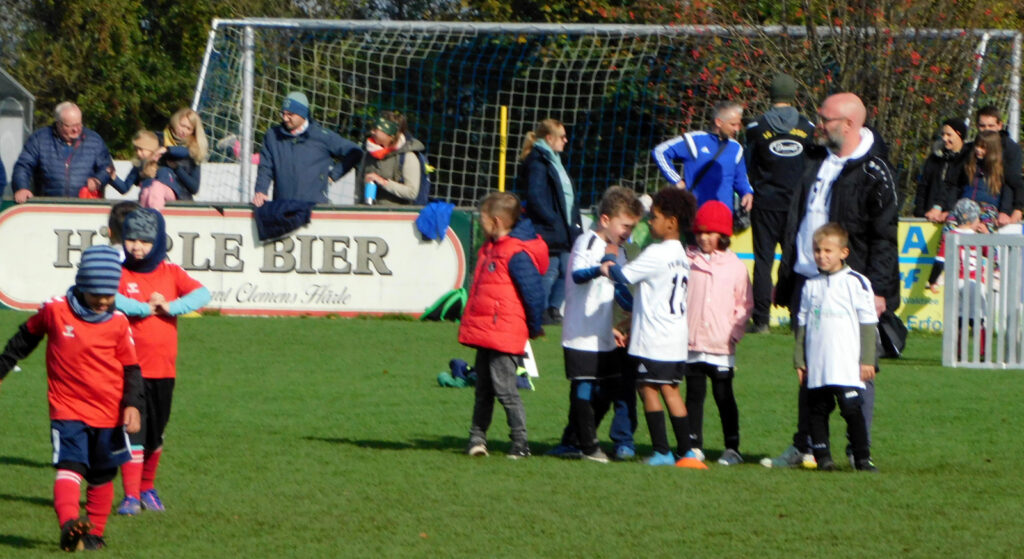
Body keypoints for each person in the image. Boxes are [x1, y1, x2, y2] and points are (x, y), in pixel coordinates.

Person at [769, 92, 898, 469]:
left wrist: (878, 289)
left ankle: (859, 451)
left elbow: (884, 236)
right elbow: (796, 220)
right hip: (808, 282)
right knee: (809, 366)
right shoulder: (814, 159)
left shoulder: (875, 170)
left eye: (825, 119)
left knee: (858, 367)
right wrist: (787, 272)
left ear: (850, 124)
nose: (818, 125)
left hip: (850, 287)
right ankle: (806, 445)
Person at [0, 245, 143, 551]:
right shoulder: (55, 310)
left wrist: (133, 404)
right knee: (70, 465)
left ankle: (93, 535)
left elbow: (131, 368)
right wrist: (2, 369)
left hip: (109, 413)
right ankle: (69, 524)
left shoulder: (119, 322)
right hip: (67, 409)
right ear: (81, 285)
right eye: (96, 295)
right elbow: (25, 338)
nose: (103, 301)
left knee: (103, 474)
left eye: (109, 295)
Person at [111, 209, 210, 515]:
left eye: (144, 241)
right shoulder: (119, 273)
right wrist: (143, 308)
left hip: (164, 370)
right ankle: (130, 496)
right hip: (130, 370)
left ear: (157, 242)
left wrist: (170, 307)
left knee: (156, 432)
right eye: (131, 239)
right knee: (133, 429)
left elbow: (202, 294)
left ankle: (147, 488)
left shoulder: (171, 273)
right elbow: (110, 298)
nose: (136, 246)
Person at [600, 187, 706, 469]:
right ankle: (687, 452)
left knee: (647, 388)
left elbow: (622, 276)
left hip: (653, 338)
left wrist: (609, 256)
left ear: (671, 222)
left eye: (654, 217)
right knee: (671, 389)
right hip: (675, 337)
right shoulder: (681, 254)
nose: (649, 221)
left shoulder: (656, 252)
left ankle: (662, 451)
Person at [550, 186, 643, 463]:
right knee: (583, 387)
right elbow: (578, 275)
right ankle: (589, 447)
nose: (628, 232)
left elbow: (619, 290)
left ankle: (574, 441)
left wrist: (636, 312)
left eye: (632, 227)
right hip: (581, 332)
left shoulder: (620, 250)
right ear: (605, 220)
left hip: (604, 334)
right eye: (625, 225)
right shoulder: (587, 242)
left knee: (609, 388)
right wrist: (599, 270)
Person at [459, 192, 547, 459]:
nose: (480, 223)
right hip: (486, 332)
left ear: (496, 221)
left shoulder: (516, 253)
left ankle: (520, 442)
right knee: (483, 390)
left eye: (483, 219)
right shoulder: (489, 248)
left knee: (506, 391)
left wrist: (534, 327)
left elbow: (533, 293)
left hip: (505, 334)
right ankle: (477, 439)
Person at [795, 223, 878, 472]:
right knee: (818, 410)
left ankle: (862, 458)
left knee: (852, 409)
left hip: (846, 361)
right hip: (818, 362)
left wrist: (868, 359)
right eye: (817, 250)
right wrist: (799, 360)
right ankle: (823, 459)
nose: (822, 255)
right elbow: (802, 325)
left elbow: (868, 323)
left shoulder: (856, 282)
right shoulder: (811, 285)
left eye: (828, 251)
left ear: (843, 252)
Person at [684, 200, 753, 466]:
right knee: (694, 396)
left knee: (724, 396)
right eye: (700, 232)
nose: (704, 238)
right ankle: (693, 445)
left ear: (723, 234)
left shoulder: (736, 266)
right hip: (692, 343)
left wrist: (733, 333)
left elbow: (744, 305)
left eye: (710, 232)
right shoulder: (688, 260)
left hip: (721, 344)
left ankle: (732, 447)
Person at [745, 75, 815, 332]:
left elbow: (749, 165)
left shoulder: (756, 126)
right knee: (794, 259)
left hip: (765, 203)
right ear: (793, 95)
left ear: (771, 95)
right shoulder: (807, 127)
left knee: (763, 261)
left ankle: (761, 320)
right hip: (796, 205)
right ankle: (796, 317)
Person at [518, 118, 583, 325]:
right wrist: (552, 220)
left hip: (564, 228)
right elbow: (535, 196)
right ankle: (541, 310)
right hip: (550, 228)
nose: (565, 140)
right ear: (549, 138)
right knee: (550, 268)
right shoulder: (538, 162)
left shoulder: (554, 161)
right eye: (562, 137)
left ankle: (554, 309)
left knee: (568, 269)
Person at [252, 91, 362, 207]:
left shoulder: (322, 136)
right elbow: (265, 167)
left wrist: (333, 175)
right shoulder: (272, 136)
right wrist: (261, 190)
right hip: (282, 207)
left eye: (290, 114)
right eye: (283, 114)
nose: (285, 118)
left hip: (314, 208)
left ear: (302, 114)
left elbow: (356, 152)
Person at [651, 101, 754, 213]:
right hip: (695, 213)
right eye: (733, 124)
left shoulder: (736, 148)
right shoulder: (695, 140)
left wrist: (747, 193)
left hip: (724, 215)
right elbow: (659, 151)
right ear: (719, 122)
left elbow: (741, 179)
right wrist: (676, 181)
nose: (737, 129)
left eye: (738, 124)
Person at [11, 101, 112, 202]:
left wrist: (98, 179)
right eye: (70, 126)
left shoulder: (94, 140)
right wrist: (21, 188)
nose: (76, 129)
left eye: (79, 124)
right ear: (58, 124)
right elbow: (23, 166)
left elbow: (108, 168)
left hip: (84, 205)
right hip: (48, 205)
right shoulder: (39, 139)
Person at [928, 199, 991, 356]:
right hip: (976, 282)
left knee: (960, 317)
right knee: (978, 317)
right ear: (973, 219)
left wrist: (933, 280)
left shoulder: (950, 235)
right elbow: (990, 254)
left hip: (956, 282)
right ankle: (982, 352)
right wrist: (987, 235)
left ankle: (959, 352)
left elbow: (940, 260)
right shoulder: (979, 237)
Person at [358, 111, 427, 205]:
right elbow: (359, 189)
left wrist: (383, 182)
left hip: (396, 213)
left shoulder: (407, 156)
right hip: (370, 212)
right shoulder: (368, 154)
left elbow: (412, 193)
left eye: (376, 129)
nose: (372, 132)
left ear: (390, 135)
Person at [974, 105, 1023, 225]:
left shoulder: (1011, 149)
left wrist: (1013, 210)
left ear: (1000, 126)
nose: (986, 130)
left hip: (997, 209)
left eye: (991, 126)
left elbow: (1012, 183)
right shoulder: (972, 149)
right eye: (982, 126)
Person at [914, 118, 969, 222]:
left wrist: (950, 211)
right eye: (943, 134)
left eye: (949, 135)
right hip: (929, 215)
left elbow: (960, 188)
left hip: (954, 217)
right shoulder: (934, 158)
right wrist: (920, 211)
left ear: (959, 135)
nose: (944, 138)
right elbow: (923, 185)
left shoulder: (967, 160)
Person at [955, 130, 1010, 232]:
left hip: (988, 206)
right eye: (977, 146)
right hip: (967, 204)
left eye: (982, 147)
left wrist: (1004, 211)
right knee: (952, 222)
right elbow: (957, 186)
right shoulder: (969, 165)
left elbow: (1008, 190)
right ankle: (948, 241)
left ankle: (987, 238)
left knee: (986, 226)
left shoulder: (1000, 169)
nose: (978, 150)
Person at [110, 130, 180, 210]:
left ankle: (154, 213)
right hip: (149, 195)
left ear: (151, 149)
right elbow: (125, 188)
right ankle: (145, 213)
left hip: (167, 192)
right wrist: (113, 177)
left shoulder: (162, 159)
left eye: (141, 149)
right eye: (136, 150)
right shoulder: (138, 166)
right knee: (145, 191)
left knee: (155, 186)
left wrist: (166, 149)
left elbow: (185, 151)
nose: (138, 153)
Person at [156, 107, 209, 200]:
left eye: (188, 128)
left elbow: (194, 188)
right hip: (157, 197)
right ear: (175, 122)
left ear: (193, 132)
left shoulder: (194, 151)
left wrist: (177, 169)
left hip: (182, 200)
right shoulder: (159, 139)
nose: (183, 131)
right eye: (182, 125)